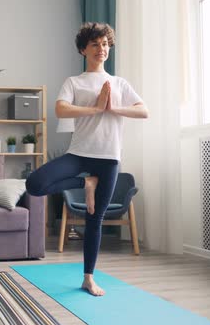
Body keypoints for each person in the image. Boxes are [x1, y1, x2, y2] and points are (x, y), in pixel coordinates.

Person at [26, 22, 148, 296]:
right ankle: (86, 184)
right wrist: (94, 107)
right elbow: (61, 109)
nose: (101, 49)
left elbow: (144, 111)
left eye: (105, 44)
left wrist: (112, 107)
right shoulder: (75, 82)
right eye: (95, 44)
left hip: (108, 159)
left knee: (95, 219)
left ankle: (88, 278)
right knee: (35, 184)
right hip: (79, 155)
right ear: (84, 49)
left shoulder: (120, 84)